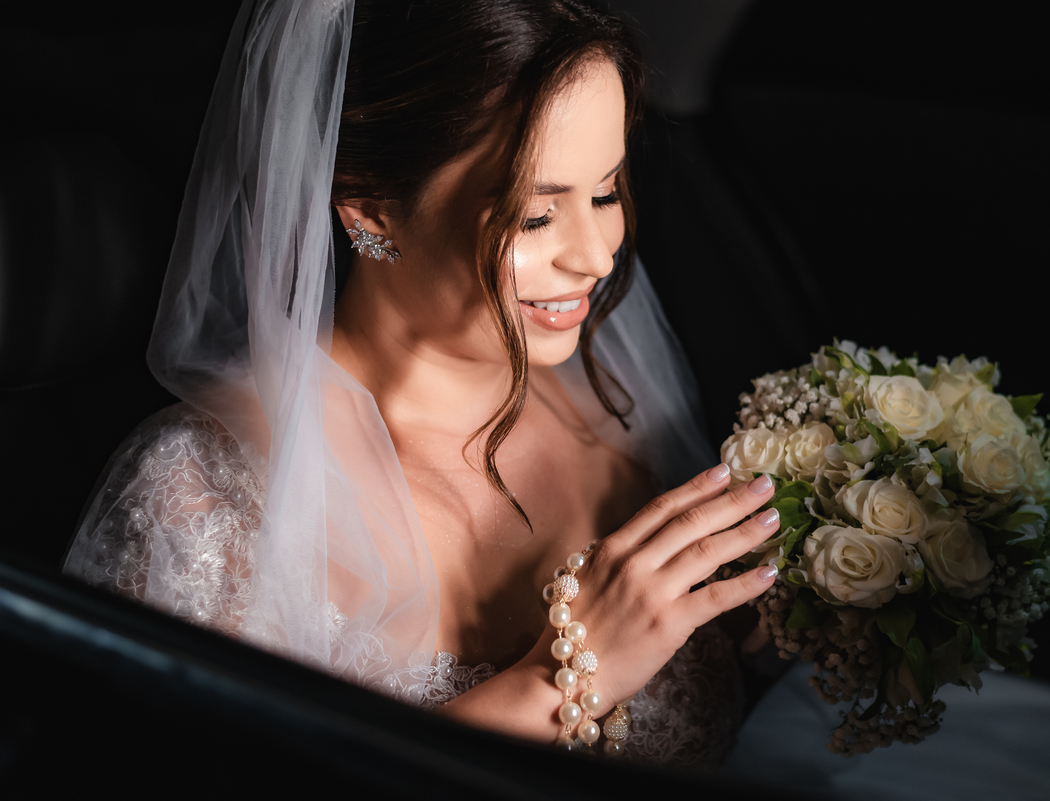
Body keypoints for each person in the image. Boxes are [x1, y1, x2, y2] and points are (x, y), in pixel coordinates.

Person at [62, 0, 776, 765]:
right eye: (535, 217)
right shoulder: (208, 497)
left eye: (604, 193)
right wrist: (558, 681)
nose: (597, 256)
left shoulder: (621, 424)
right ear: (369, 205)